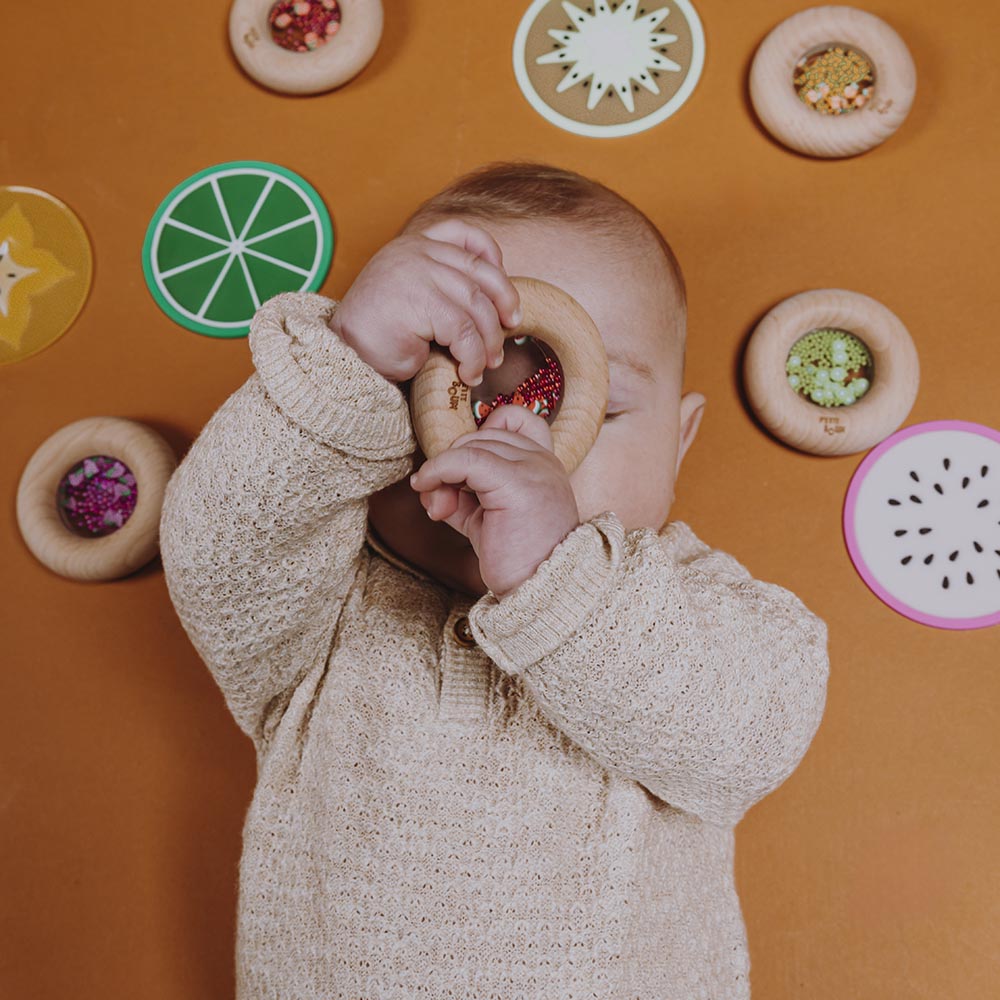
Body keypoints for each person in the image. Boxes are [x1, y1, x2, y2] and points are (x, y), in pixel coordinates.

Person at [159, 161, 829, 999]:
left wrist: (563, 579)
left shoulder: (688, 604)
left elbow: (753, 734)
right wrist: (349, 364)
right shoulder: (324, 607)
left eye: (591, 407)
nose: (509, 438)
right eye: (445, 391)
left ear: (680, 442)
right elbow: (220, 547)